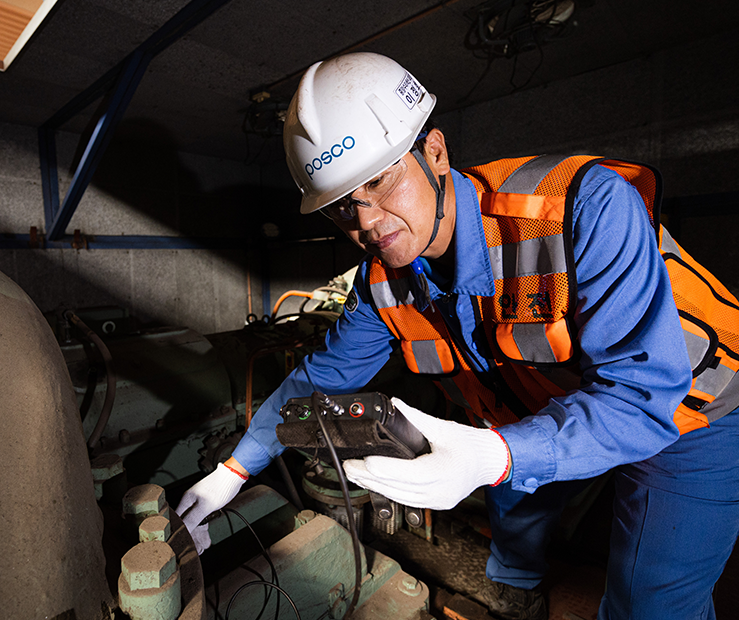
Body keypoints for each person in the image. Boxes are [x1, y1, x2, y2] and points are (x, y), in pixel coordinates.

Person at [177, 52, 739, 620]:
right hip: (550, 405)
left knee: (651, 604)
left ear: (435, 154)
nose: (367, 221)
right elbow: (318, 379)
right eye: (343, 207)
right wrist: (234, 471)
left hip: (689, 408)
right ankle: (516, 591)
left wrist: (496, 454)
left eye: (380, 180)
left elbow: (645, 397)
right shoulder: (380, 285)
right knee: (512, 500)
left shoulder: (580, 209)